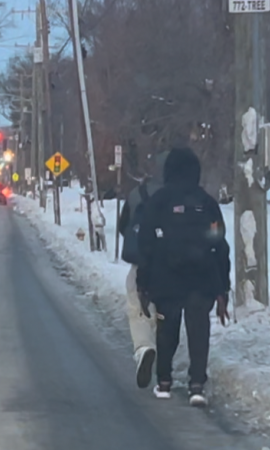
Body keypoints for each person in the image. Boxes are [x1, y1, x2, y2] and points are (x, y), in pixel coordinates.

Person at [135, 146, 231, 407]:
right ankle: (197, 384)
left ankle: (164, 381)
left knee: (167, 328)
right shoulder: (207, 204)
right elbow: (220, 246)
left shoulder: (158, 202)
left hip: (165, 281)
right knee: (199, 329)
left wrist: (143, 283)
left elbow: (145, 245)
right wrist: (223, 289)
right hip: (202, 280)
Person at [117, 150, 167, 389]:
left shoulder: (138, 193)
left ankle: (145, 347)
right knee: (167, 312)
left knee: (138, 308)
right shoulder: (181, 195)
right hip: (173, 264)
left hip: (142, 263)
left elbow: (122, 226)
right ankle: (166, 362)